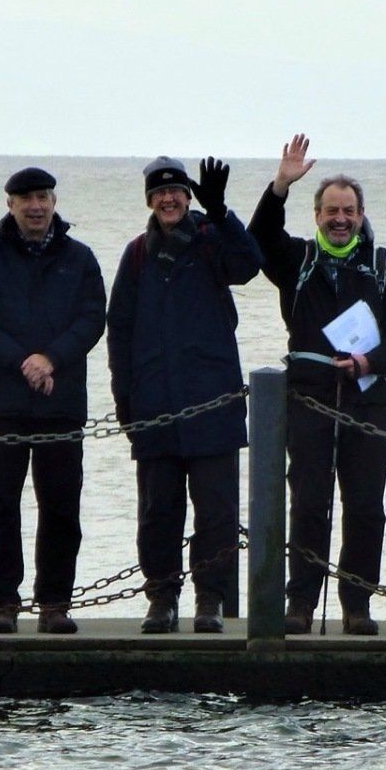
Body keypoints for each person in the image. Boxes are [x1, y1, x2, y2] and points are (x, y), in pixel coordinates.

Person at [247, 134, 386, 636]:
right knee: (308, 504)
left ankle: (357, 605)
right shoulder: (296, 262)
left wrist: (371, 362)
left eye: (348, 210)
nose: (340, 219)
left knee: (365, 508)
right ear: (317, 214)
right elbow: (259, 238)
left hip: (367, 402)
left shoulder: (384, 269)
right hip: (308, 401)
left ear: (361, 214)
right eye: (330, 210)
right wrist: (281, 184)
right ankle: (300, 603)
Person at [107, 155, 261, 634]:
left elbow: (249, 265)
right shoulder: (136, 255)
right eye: (158, 193)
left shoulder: (214, 242)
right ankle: (161, 599)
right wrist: (126, 403)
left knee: (217, 513)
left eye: (175, 191)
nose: (168, 199)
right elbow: (120, 331)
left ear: (188, 197)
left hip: (213, 404)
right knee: (158, 513)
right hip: (155, 408)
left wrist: (222, 212)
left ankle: (210, 600)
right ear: (150, 201)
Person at [0, 167, 106, 635]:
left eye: (43, 197)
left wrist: (51, 359)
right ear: (10, 206)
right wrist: (23, 361)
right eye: (26, 200)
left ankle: (55, 604)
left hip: (60, 402)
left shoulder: (79, 258)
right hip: (2, 403)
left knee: (61, 508)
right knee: (0, 508)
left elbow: (92, 319)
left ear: (54, 201)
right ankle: (3, 604)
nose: (36, 206)